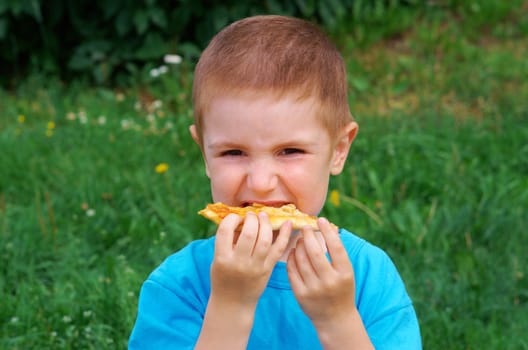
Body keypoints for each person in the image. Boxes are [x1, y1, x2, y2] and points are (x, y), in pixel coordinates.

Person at [128, 15, 421, 349]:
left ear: (338, 150)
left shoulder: (367, 276)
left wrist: (337, 320)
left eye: (290, 151)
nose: (262, 182)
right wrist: (230, 306)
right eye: (234, 152)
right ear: (204, 154)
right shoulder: (180, 285)